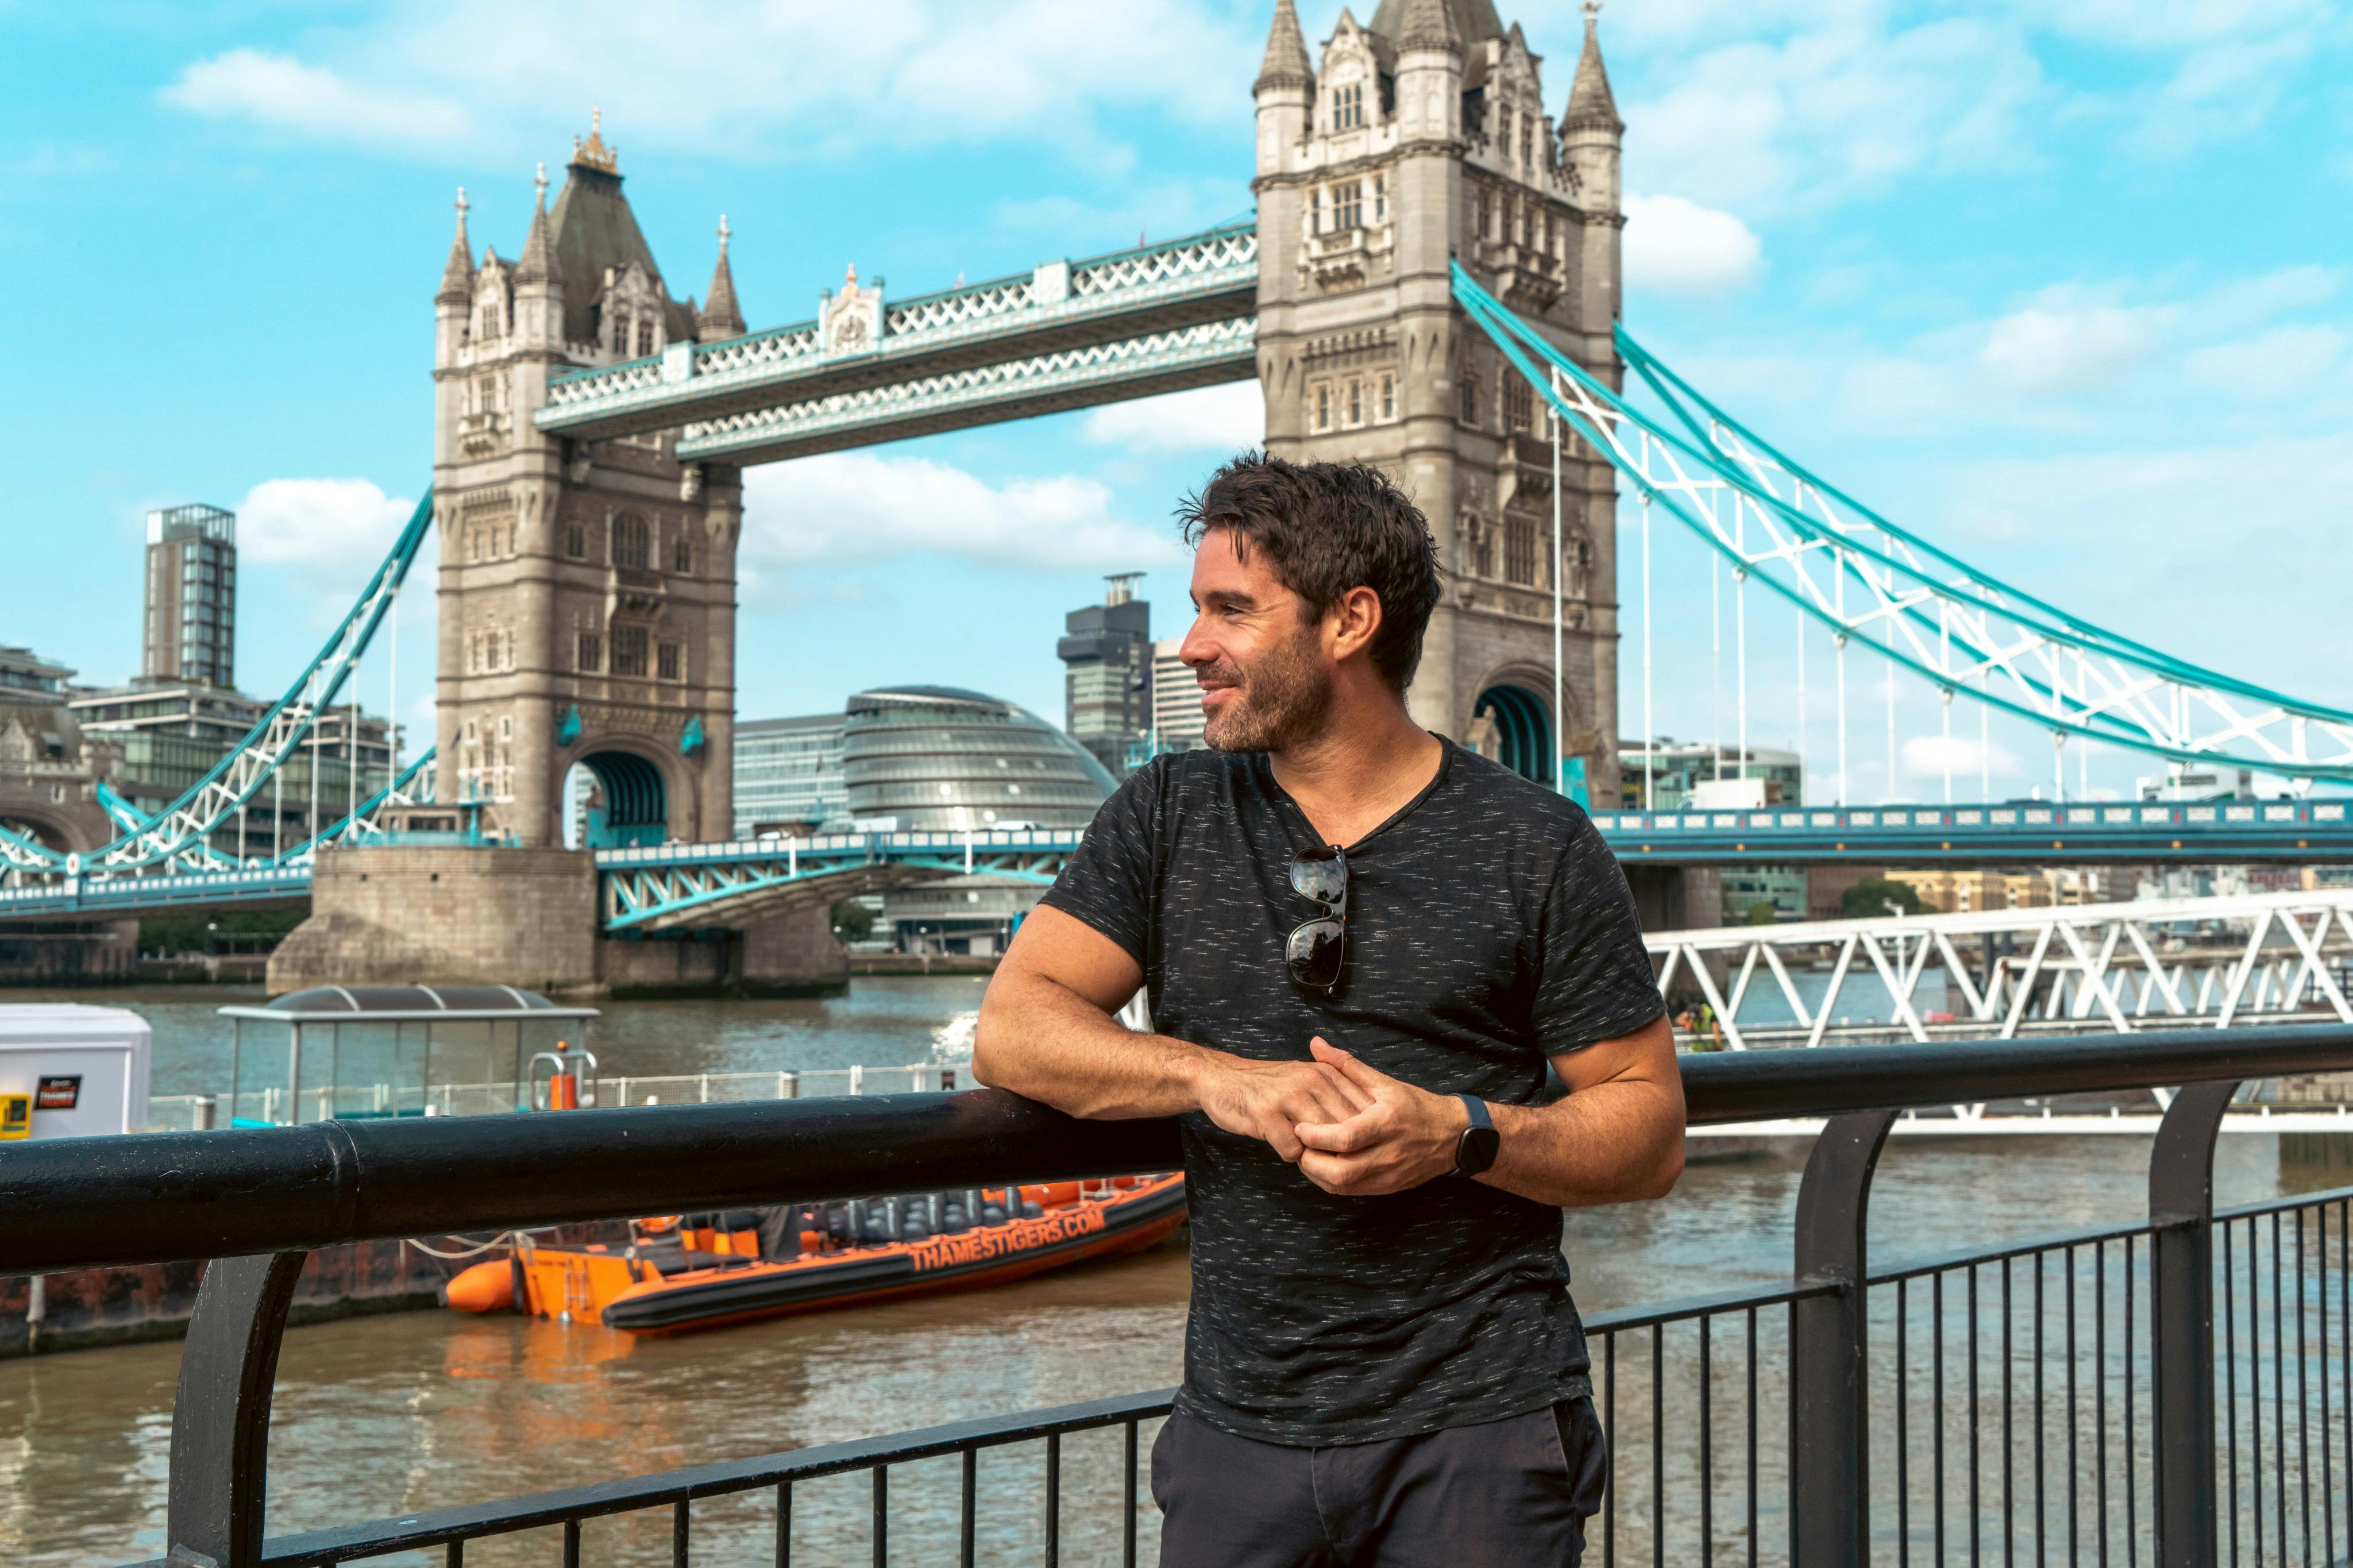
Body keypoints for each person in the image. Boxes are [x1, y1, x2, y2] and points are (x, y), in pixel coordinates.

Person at [973, 454, 1685, 1567]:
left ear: (1350, 621)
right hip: (1237, 1431)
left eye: (1230, 610)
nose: (1189, 645)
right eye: (1196, 609)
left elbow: (1647, 1131)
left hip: (1481, 1431)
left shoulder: (1535, 843)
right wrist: (1220, 1079)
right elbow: (1013, 1028)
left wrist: (1459, 1134)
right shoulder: (1165, 812)